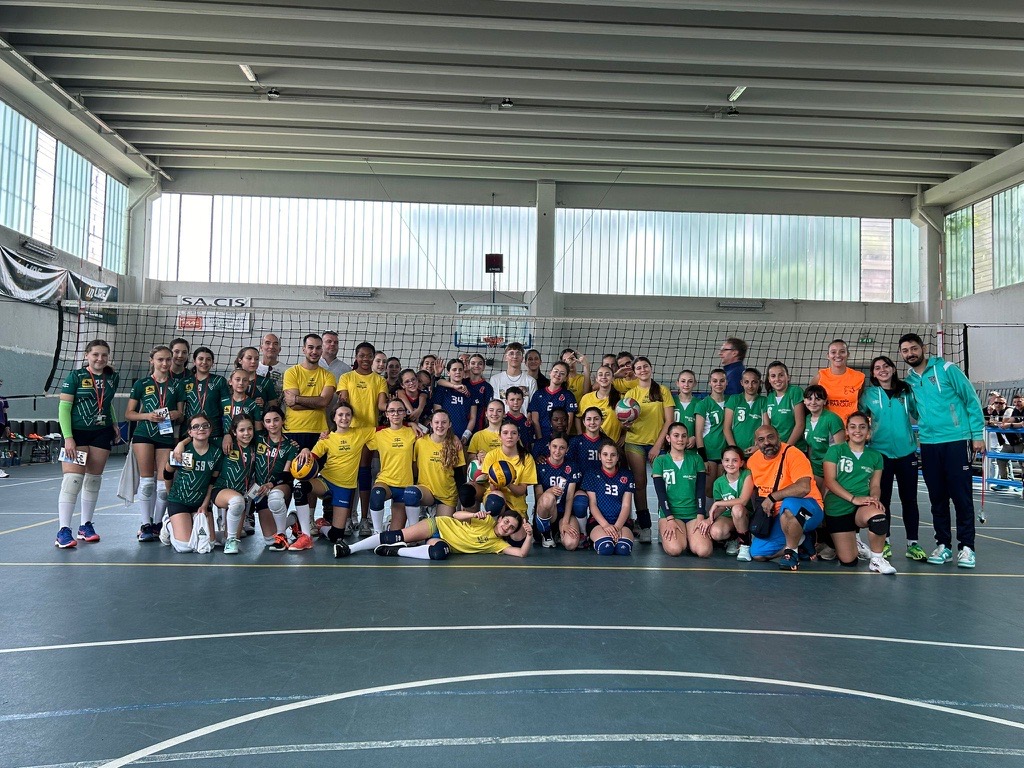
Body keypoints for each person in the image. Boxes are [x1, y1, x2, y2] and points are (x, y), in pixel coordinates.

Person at [899, 333, 985, 569]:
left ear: (923, 348)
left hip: (957, 440)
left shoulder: (947, 369)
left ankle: (967, 547)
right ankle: (943, 545)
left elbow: (971, 400)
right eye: (905, 351)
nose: (910, 354)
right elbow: (914, 410)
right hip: (929, 444)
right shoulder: (909, 381)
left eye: (913, 348)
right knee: (937, 498)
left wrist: (977, 435)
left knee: (961, 497)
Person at [54, 339, 121, 547]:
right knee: (73, 480)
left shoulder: (112, 377)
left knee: (93, 480)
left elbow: (106, 403)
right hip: (77, 433)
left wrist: (115, 423)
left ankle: (85, 526)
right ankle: (63, 531)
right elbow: (64, 408)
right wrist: (68, 438)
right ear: (87, 356)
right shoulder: (75, 377)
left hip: (101, 432)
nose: (100, 358)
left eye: (104, 355)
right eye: (95, 354)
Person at [861, 356, 924, 561]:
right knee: (882, 499)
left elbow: (919, 412)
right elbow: (859, 417)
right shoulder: (869, 395)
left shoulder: (906, 391)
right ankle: (884, 542)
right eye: (877, 368)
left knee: (909, 499)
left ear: (893, 369)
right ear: (873, 373)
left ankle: (912, 544)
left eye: (886, 366)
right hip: (880, 454)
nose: (882, 370)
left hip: (906, 453)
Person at [822, 411, 896, 574]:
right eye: (853, 427)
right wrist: (853, 498)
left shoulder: (876, 456)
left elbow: (875, 485)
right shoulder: (835, 451)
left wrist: (874, 498)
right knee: (849, 561)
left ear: (868, 431)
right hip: (838, 506)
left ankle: (877, 559)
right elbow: (830, 481)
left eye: (862, 427)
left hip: (862, 505)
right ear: (847, 431)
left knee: (879, 518)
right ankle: (841, 541)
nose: (858, 431)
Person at [125, 345, 184, 543]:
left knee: (162, 486)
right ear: (152, 361)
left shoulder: (177, 385)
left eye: (168, 359)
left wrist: (175, 414)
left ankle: (158, 524)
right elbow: (129, 414)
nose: (165, 363)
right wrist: (147, 416)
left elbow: (181, 414)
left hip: (165, 436)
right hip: (144, 434)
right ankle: (145, 525)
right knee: (147, 482)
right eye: (160, 359)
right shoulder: (141, 384)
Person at [747, 425, 825, 571]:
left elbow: (804, 488)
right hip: (779, 515)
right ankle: (801, 540)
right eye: (761, 440)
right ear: (756, 443)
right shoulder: (753, 461)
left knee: (788, 505)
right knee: (757, 553)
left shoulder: (793, 454)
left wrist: (772, 497)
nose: (767, 442)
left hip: (809, 508)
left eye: (771, 437)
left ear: (779, 437)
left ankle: (791, 553)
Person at [300, 402, 374, 546]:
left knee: (337, 536)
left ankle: (321, 527)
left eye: (348, 415)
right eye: (340, 415)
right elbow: (312, 457)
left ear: (352, 417)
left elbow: (385, 429)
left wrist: (411, 424)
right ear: (334, 418)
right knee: (300, 487)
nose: (344, 418)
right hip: (326, 481)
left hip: (344, 488)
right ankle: (305, 534)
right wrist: (305, 450)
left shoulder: (360, 433)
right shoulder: (327, 438)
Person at [331, 507, 532, 560]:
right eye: (506, 521)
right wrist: (473, 514)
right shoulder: (486, 519)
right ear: (500, 519)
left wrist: (529, 535)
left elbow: (521, 553)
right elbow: (456, 515)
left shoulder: (498, 545)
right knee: (396, 535)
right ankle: (350, 548)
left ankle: (395, 551)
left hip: (442, 542)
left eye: (511, 528)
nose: (507, 527)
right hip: (438, 525)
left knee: (439, 554)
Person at [337, 341, 389, 534]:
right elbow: (343, 402)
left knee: (364, 472)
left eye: (369, 356)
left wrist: (396, 407)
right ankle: (348, 518)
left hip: (369, 432)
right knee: (349, 475)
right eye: (362, 355)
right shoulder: (346, 377)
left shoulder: (379, 380)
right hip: (349, 431)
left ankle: (365, 519)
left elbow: (382, 405)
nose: (365, 359)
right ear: (356, 357)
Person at [622, 356, 674, 543]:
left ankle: (664, 525)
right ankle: (645, 526)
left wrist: (658, 446)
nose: (642, 370)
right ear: (634, 373)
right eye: (639, 368)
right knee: (639, 484)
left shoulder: (662, 391)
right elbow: (624, 421)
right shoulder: (631, 394)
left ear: (651, 368)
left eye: (645, 366)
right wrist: (626, 424)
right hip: (635, 442)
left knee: (663, 485)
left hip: (657, 443)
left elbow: (669, 420)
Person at [160, 414, 222, 553]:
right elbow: (167, 473)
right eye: (196, 427)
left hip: (200, 503)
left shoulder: (216, 453)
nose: (201, 429)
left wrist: (205, 505)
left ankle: (192, 521)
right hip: (179, 501)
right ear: (190, 432)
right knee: (185, 547)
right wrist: (170, 494)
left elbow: (212, 483)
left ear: (210, 429)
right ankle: (168, 524)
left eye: (205, 426)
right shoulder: (182, 451)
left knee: (209, 544)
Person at [652, 423, 708, 557]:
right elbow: (661, 493)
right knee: (675, 550)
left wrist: (700, 516)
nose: (680, 439)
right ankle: (673, 534)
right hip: (671, 514)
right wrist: (669, 518)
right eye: (676, 436)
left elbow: (701, 490)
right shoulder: (660, 461)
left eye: (684, 436)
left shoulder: (696, 459)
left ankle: (689, 537)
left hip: (693, 513)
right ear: (668, 438)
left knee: (704, 551)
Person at [253, 406, 302, 551]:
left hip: (280, 485)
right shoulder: (258, 440)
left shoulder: (290, 445)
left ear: (283, 421)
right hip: (260, 489)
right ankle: (292, 519)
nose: (272, 424)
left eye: (276, 420)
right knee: (269, 539)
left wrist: (271, 484)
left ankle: (282, 537)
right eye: (268, 421)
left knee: (274, 496)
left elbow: (286, 474)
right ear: (263, 424)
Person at [366, 402, 419, 532]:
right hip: (385, 481)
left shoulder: (413, 432)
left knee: (395, 535)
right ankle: (377, 532)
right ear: (387, 414)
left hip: (405, 484)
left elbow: (433, 431)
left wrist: (411, 424)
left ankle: (389, 526)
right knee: (377, 495)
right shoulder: (378, 434)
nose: (395, 414)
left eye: (400, 410)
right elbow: (353, 434)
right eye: (392, 411)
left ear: (405, 413)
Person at [211, 414, 259, 555]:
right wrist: (181, 445)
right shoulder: (226, 443)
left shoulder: (255, 446)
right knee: (237, 501)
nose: (246, 433)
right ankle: (231, 541)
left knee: (225, 538)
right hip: (221, 490)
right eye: (241, 430)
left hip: (242, 496)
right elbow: (200, 438)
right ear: (234, 431)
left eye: (249, 429)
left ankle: (213, 536)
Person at [481, 422, 538, 534]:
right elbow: (493, 489)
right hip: (496, 498)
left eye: (513, 433)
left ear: (518, 437)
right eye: (505, 433)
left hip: (516, 503)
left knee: (518, 539)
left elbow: (521, 491)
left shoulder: (527, 458)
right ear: (500, 436)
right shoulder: (492, 455)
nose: (509, 436)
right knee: (496, 499)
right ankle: (495, 525)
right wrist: (496, 480)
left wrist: (508, 482)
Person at [410, 410, 468, 519]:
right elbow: (414, 470)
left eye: (444, 422)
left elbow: (459, 475)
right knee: (411, 493)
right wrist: (410, 423)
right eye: (436, 422)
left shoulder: (455, 444)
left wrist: (464, 500)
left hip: (447, 496)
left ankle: (432, 513)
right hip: (426, 492)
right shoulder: (420, 442)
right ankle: (418, 518)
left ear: (449, 424)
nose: (440, 426)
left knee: (440, 528)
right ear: (431, 424)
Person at [582, 441, 635, 555]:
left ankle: (615, 536)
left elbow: (626, 505)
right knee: (606, 548)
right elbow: (593, 504)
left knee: (623, 549)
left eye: (613, 455)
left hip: (621, 522)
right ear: (599, 456)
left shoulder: (627, 475)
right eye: (605, 454)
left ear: (618, 457)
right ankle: (594, 539)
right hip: (598, 522)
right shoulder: (591, 474)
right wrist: (605, 525)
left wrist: (617, 527)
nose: (609, 458)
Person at [706, 445, 754, 561]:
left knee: (737, 509)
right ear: (722, 462)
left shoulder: (747, 475)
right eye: (727, 460)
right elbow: (721, 508)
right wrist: (709, 519)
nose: (730, 464)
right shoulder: (718, 483)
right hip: (728, 517)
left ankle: (745, 544)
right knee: (716, 533)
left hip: (745, 516)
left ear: (741, 463)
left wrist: (717, 504)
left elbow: (743, 500)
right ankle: (733, 539)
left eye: (735, 460)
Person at [534, 435, 580, 548]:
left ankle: (559, 533)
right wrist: (549, 491)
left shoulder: (572, 466)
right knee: (548, 498)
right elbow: (538, 497)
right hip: (547, 513)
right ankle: (546, 534)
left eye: (562, 448)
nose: (557, 451)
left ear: (567, 449)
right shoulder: (540, 466)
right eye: (554, 446)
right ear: (549, 446)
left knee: (571, 544)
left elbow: (569, 497)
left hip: (564, 512)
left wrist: (565, 522)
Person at [802, 384, 846, 495]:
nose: (813, 402)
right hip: (816, 466)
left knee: (827, 498)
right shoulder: (806, 419)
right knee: (815, 496)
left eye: (818, 399)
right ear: (804, 401)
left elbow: (841, 449)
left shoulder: (832, 419)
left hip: (831, 466)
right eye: (809, 399)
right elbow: (810, 446)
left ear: (825, 401)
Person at [809, 338, 865, 425]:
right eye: (833, 352)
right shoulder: (820, 377)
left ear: (848, 354)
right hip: (826, 426)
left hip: (850, 427)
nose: (838, 355)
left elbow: (857, 398)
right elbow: (809, 399)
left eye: (842, 351)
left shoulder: (859, 377)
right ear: (828, 356)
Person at [182, 347, 228, 446]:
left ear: (212, 363)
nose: (204, 362)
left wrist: (227, 433)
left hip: (214, 431)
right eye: (200, 359)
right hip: (191, 432)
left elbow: (227, 408)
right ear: (194, 361)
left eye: (208, 359)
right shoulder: (185, 382)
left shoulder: (219, 381)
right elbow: (180, 410)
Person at [694, 368, 728, 502]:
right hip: (709, 453)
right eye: (715, 381)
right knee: (708, 489)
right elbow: (698, 433)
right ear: (710, 383)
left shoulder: (732, 401)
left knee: (723, 489)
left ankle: (723, 513)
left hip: (726, 452)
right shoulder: (703, 404)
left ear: (726, 382)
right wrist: (703, 459)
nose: (718, 384)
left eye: (722, 381)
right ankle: (706, 514)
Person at [431, 358, 478, 445]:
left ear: (463, 372)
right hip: (443, 436)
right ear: (448, 373)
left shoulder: (470, 391)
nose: (458, 372)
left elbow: (473, 417)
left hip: (462, 436)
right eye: (454, 369)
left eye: (460, 369)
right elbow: (437, 414)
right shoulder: (441, 390)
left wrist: (466, 436)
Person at [724, 368, 768, 457]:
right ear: (741, 383)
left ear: (760, 383)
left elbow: (766, 428)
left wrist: (757, 447)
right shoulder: (734, 399)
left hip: (758, 452)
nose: (750, 386)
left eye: (754, 382)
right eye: (746, 382)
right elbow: (726, 428)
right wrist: (735, 450)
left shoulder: (764, 401)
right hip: (736, 452)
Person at [530, 361, 579, 442]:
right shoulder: (538, 394)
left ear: (565, 378)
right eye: (556, 371)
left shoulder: (568, 395)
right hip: (542, 436)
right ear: (550, 373)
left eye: (562, 373)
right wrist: (540, 440)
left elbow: (569, 421)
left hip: (559, 438)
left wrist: (563, 439)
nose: (558, 374)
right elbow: (535, 420)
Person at [220, 369, 263, 453]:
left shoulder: (253, 404)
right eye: (237, 379)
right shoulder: (223, 401)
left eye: (245, 380)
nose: (241, 383)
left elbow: (258, 430)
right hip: (226, 443)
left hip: (246, 444)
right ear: (230, 382)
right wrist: (226, 434)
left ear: (248, 383)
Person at [765, 361, 806, 450]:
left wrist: (786, 448)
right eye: (773, 376)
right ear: (769, 379)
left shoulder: (795, 392)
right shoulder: (769, 397)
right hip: (776, 448)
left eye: (781, 375)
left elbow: (800, 424)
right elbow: (768, 427)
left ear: (788, 377)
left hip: (795, 448)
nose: (777, 379)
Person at [579, 365, 623, 444]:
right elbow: (578, 417)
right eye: (600, 374)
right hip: (590, 443)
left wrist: (625, 436)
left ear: (613, 378)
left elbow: (628, 420)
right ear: (596, 379)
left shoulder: (621, 398)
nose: (604, 377)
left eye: (607, 374)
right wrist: (580, 435)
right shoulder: (586, 398)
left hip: (612, 445)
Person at [671, 370, 700, 450]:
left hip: (691, 449)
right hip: (672, 448)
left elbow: (705, 427)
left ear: (695, 383)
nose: (686, 385)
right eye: (683, 381)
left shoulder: (700, 404)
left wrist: (695, 437)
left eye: (690, 381)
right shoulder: (670, 402)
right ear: (677, 383)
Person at [465, 354, 494, 432]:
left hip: (478, 426)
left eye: (480, 363)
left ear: (484, 367)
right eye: (473, 363)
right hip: (461, 423)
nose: (476, 366)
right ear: (468, 365)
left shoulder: (487, 387)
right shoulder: (462, 383)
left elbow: (488, 409)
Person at [256, 333, 284, 400]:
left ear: (279, 349)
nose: (271, 346)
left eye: (275, 344)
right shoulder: (253, 368)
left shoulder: (288, 371)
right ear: (261, 348)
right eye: (267, 343)